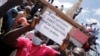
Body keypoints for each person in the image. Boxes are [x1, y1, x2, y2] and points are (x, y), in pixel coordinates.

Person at [1, 16, 68, 56]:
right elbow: (6, 39)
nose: (38, 37)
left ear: (45, 40)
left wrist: (62, 51)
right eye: (37, 34)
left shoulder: (46, 50)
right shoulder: (26, 42)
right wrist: (28, 27)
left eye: (42, 36)